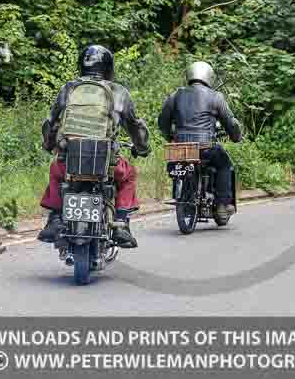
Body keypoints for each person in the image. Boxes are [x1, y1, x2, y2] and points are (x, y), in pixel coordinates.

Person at [37, 45, 151, 247]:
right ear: (108, 67)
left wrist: (49, 144)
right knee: (129, 174)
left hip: (70, 161)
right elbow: (134, 125)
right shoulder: (118, 92)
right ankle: (122, 223)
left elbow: (51, 122)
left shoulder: (69, 88)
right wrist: (141, 147)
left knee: (56, 170)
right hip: (106, 164)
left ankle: (54, 218)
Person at [158, 61, 242, 220]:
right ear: (209, 77)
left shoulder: (175, 95)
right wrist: (236, 136)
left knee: (176, 162)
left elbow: (162, 121)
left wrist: (170, 136)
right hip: (205, 147)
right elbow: (230, 122)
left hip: (181, 147)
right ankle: (223, 204)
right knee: (225, 164)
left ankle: (180, 191)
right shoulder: (216, 97)